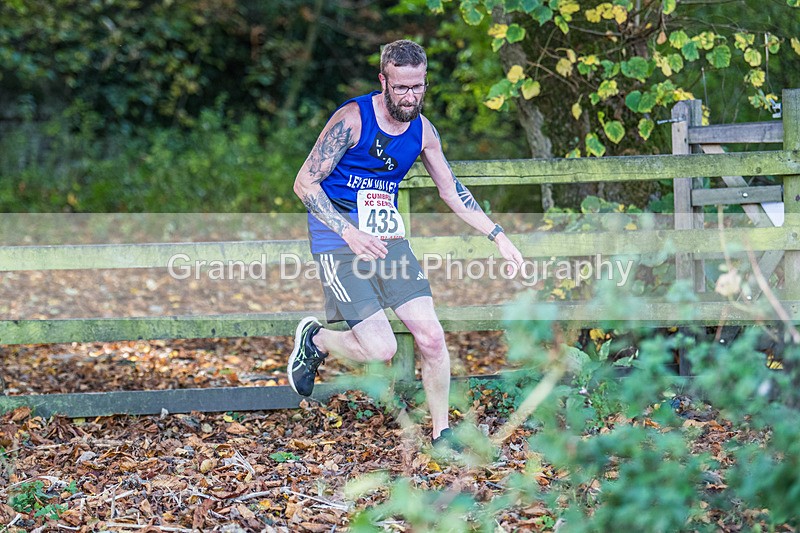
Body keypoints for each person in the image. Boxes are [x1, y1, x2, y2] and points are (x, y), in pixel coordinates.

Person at [288, 39, 523, 445]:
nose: (410, 97)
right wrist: (349, 231)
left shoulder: (423, 132)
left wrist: (497, 235)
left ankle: (442, 433)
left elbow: (452, 191)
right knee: (380, 349)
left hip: (389, 241)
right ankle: (318, 339)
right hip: (338, 241)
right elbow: (304, 182)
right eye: (400, 87)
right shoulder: (352, 119)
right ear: (383, 80)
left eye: (418, 87)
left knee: (431, 338)